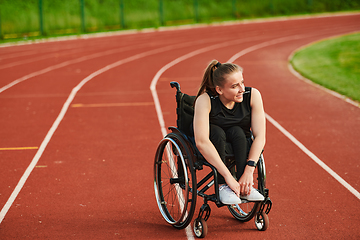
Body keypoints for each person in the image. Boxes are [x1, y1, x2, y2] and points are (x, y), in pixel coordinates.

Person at [193, 60, 266, 205]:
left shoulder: (253, 95)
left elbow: (260, 136)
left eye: (242, 83)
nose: (241, 89)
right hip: (212, 139)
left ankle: (245, 186)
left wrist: (249, 172)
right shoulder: (205, 100)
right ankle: (222, 187)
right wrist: (227, 177)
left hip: (236, 138)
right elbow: (202, 142)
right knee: (218, 133)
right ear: (219, 90)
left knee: (239, 132)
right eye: (234, 86)